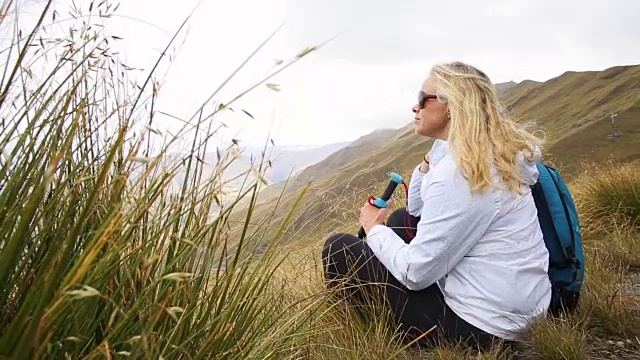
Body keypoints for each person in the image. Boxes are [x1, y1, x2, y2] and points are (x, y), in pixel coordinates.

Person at [321, 61, 552, 351]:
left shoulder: (460, 174)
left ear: (453, 106)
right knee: (401, 219)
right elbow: (416, 211)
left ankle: (367, 340)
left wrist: (372, 227)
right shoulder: (492, 151)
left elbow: (415, 274)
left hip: (482, 329)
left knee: (339, 248)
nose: (415, 108)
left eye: (422, 99)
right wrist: (433, 154)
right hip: (522, 306)